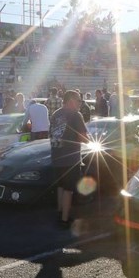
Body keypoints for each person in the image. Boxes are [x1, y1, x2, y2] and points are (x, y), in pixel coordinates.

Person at [51, 90, 88, 226]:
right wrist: (89, 142)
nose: (80, 103)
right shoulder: (75, 115)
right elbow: (83, 137)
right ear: (72, 100)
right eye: (79, 100)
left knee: (60, 187)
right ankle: (64, 220)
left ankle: (60, 213)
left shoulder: (56, 114)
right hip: (70, 158)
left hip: (56, 155)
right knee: (69, 189)